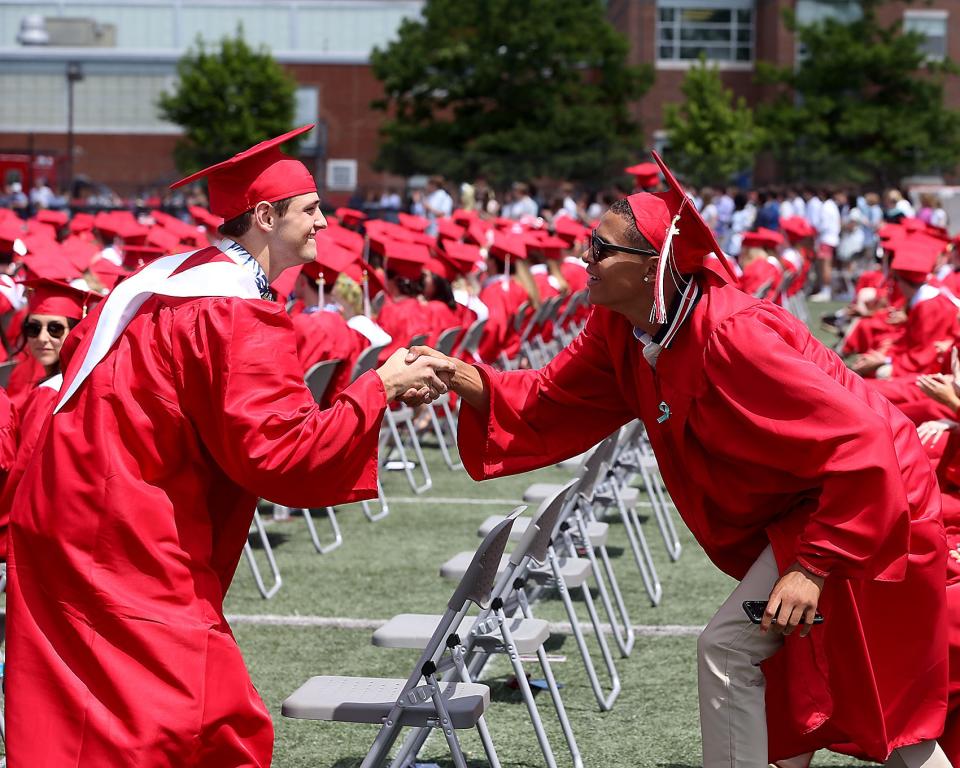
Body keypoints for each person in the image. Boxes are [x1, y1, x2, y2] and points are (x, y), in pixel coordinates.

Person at [407, 152, 952, 768]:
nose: (585, 260)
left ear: (652, 268)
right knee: (800, 682)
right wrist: (454, 372)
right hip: (813, 501)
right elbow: (545, 401)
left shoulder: (732, 334)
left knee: (772, 666)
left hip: (866, 502)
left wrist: (815, 566)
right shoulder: (624, 329)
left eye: (601, 250)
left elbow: (861, 442)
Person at [4, 125, 455, 767]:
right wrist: (377, 387)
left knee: (116, 710)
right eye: (311, 209)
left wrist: (373, 393)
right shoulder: (228, 310)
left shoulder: (181, 283)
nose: (326, 221)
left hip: (89, 504)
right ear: (265, 218)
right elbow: (281, 454)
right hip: (114, 521)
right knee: (190, 712)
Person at [0, 279, 94, 560]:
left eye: (55, 328)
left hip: (31, 530)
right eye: (33, 327)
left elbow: (23, 471)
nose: (42, 338)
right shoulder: (76, 381)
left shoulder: (50, 394)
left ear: (76, 331)